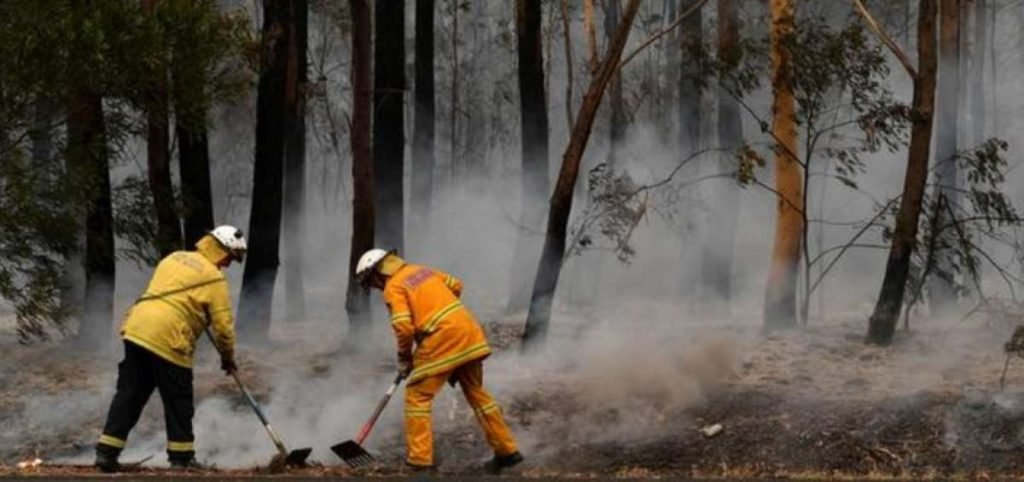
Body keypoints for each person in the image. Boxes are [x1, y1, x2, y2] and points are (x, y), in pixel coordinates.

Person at [355, 248, 524, 473]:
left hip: (443, 338)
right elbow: (456, 285)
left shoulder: (393, 287)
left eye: (371, 281)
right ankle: (507, 451)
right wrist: (436, 310)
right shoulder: (421, 271)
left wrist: (404, 357)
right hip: (469, 332)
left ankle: (419, 461)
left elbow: (403, 327)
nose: (375, 287)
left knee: (417, 395)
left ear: (378, 273)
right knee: (477, 393)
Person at [94, 226, 247, 472]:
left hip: (137, 328)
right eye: (230, 257)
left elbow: (170, 290)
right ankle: (181, 460)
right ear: (220, 249)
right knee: (178, 402)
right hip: (170, 338)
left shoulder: (174, 257)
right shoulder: (215, 280)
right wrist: (227, 358)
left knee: (130, 394)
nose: (229, 264)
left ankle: (106, 453)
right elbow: (224, 328)